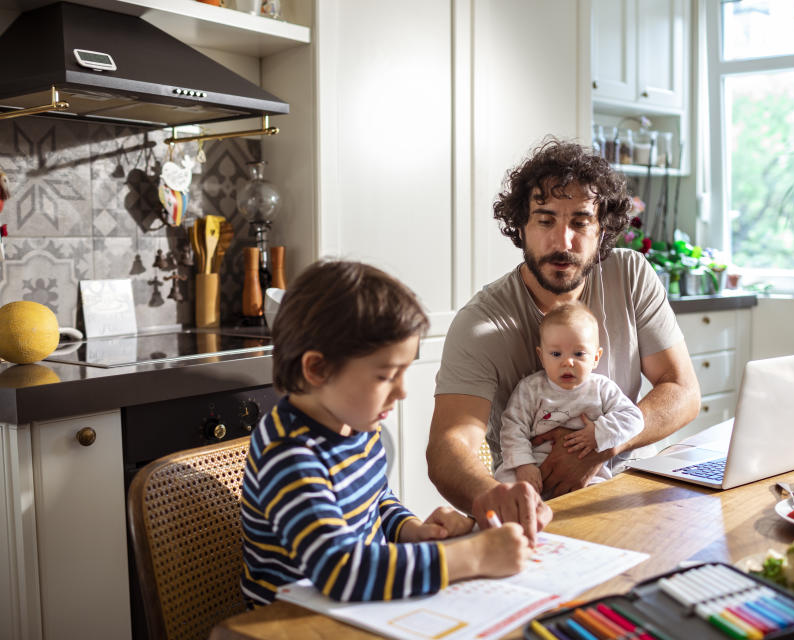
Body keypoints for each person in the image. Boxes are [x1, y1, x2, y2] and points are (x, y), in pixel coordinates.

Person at [427, 137, 701, 542]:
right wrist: (498, 498)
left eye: (579, 221)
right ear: (520, 225)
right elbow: (449, 446)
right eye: (545, 219)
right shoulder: (481, 323)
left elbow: (683, 391)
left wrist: (598, 446)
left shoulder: (631, 275)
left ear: (602, 227)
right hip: (541, 507)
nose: (563, 241)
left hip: (632, 484)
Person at [241, 260, 530, 605]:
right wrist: (472, 556)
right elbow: (341, 569)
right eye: (384, 376)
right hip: (294, 623)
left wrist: (412, 532)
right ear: (317, 369)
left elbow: (376, 501)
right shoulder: (289, 456)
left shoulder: (357, 425)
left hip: (357, 607)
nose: (403, 391)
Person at [495, 302, 646, 491]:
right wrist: (523, 464)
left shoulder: (601, 388)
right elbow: (512, 428)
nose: (567, 362)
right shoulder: (531, 388)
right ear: (542, 357)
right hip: (533, 465)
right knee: (505, 488)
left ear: (596, 357)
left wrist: (598, 433)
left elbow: (634, 418)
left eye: (579, 353)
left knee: (600, 495)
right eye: (556, 354)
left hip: (586, 471)